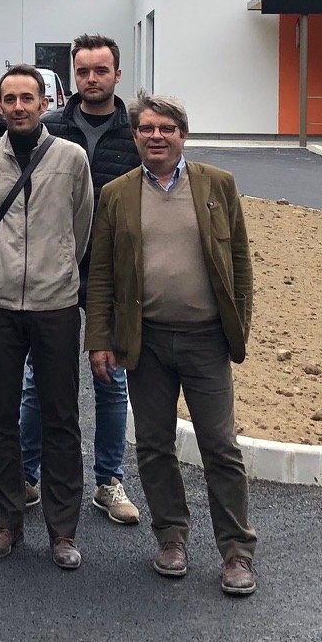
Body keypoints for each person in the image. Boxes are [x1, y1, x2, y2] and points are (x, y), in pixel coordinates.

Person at [85, 93, 258, 597]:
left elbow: (241, 262)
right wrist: (100, 338)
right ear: (134, 136)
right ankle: (172, 538)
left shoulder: (217, 186)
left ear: (183, 134)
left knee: (220, 447)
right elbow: (102, 274)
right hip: (148, 342)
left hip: (206, 341)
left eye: (165, 128)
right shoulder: (117, 194)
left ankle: (236, 551)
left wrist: (237, 326)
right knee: (155, 446)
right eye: (145, 129)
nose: (155, 136)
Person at [0, 64, 96, 568]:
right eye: (9, 99)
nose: (18, 107)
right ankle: (6, 522)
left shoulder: (71, 159)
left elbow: (81, 228)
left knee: (62, 417)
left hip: (56, 304)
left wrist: (58, 269)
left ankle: (63, 530)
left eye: (27, 98)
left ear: (44, 104)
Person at [20, 34, 143, 527]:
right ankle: (26, 475)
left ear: (117, 74)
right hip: (54, 271)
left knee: (111, 380)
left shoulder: (137, 130)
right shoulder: (48, 127)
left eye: (101, 70)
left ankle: (109, 481)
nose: (91, 79)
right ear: (74, 75)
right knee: (37, 381)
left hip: (110, 275)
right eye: (83, 71)